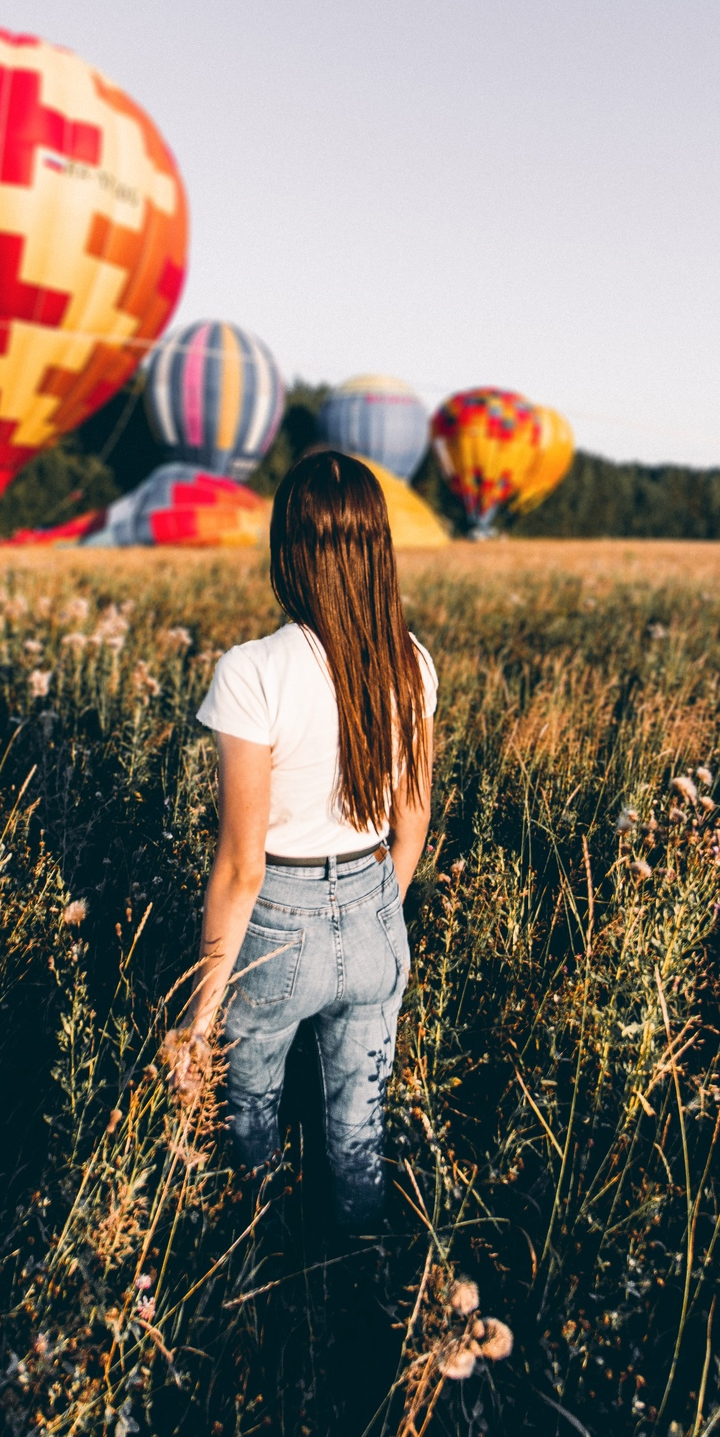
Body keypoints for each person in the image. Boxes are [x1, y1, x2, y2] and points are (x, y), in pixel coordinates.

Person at [169, 451, 436, 1229]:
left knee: (247, 1124)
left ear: (287, 548)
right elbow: (412, 818)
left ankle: (259, 1282)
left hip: (279, 925)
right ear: (378, 547)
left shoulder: (253, 671)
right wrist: (375, 908)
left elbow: (242, 865)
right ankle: (362, 1287)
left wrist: (198, 1015)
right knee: (358, 1136)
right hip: (379, 904)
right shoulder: (411, 662)